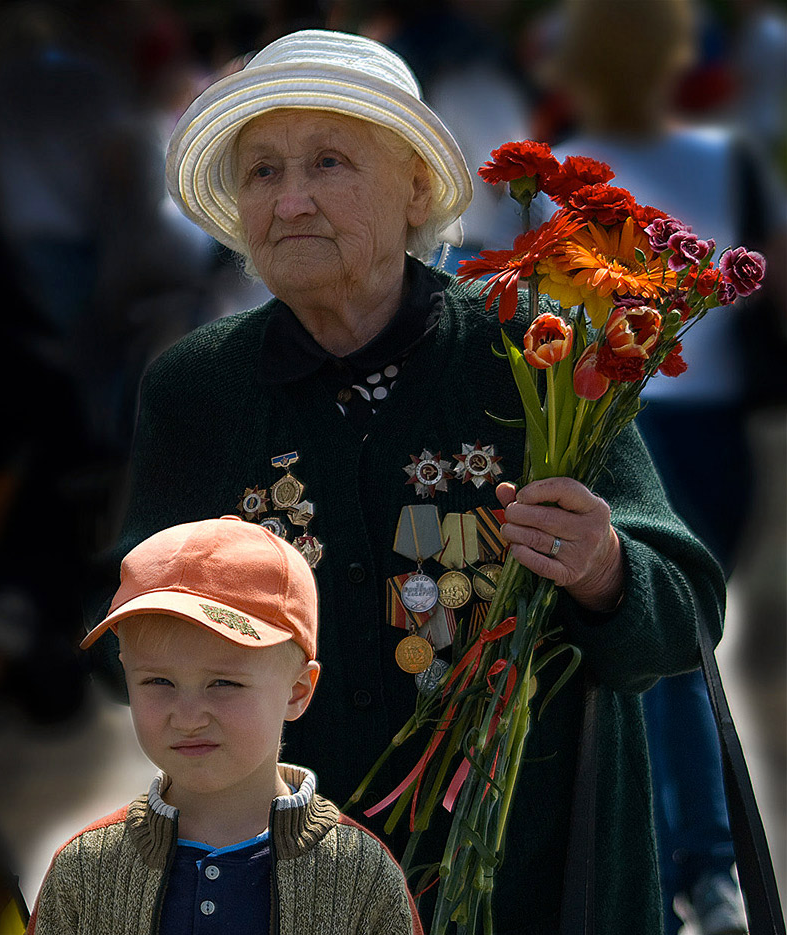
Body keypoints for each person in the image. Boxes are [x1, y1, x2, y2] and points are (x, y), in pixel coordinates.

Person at [88, 29, 725, 933]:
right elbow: (130, 649)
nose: (291, 199)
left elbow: (685, 615)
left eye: (330, 162)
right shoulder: (198, 388)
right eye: (262, 172)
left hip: (535, 880)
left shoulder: (535, 349)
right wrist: (172, 620)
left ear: (416, 186)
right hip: (297, 884)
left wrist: (604, 568)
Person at [541, 1, 787, 931]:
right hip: (682, 437)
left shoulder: (565, 174)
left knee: (655, 644)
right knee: (673, 643)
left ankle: (680, 859)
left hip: (619, 429)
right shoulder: (725, 164)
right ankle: (698, 860)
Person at [29, 516, 423, 934]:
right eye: (158, 681)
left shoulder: (362, 878)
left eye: (223, 683)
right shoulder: (83, 870)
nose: (188, 716)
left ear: (297, 691)